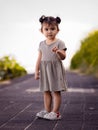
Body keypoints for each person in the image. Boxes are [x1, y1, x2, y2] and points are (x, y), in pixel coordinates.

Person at [35, 15, 67, 120]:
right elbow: (39, 58)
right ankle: (47, 110)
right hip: (45, 70)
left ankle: (55, 112)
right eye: (46, 29)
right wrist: (36, 71)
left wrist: (58, 51)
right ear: (41, 31)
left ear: (57, 30)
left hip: (55, 70)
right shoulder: (41, 44)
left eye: (52, 29)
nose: (49, 31)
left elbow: (63, 57)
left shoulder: (59, 43)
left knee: (56, 91)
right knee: (46, 91)